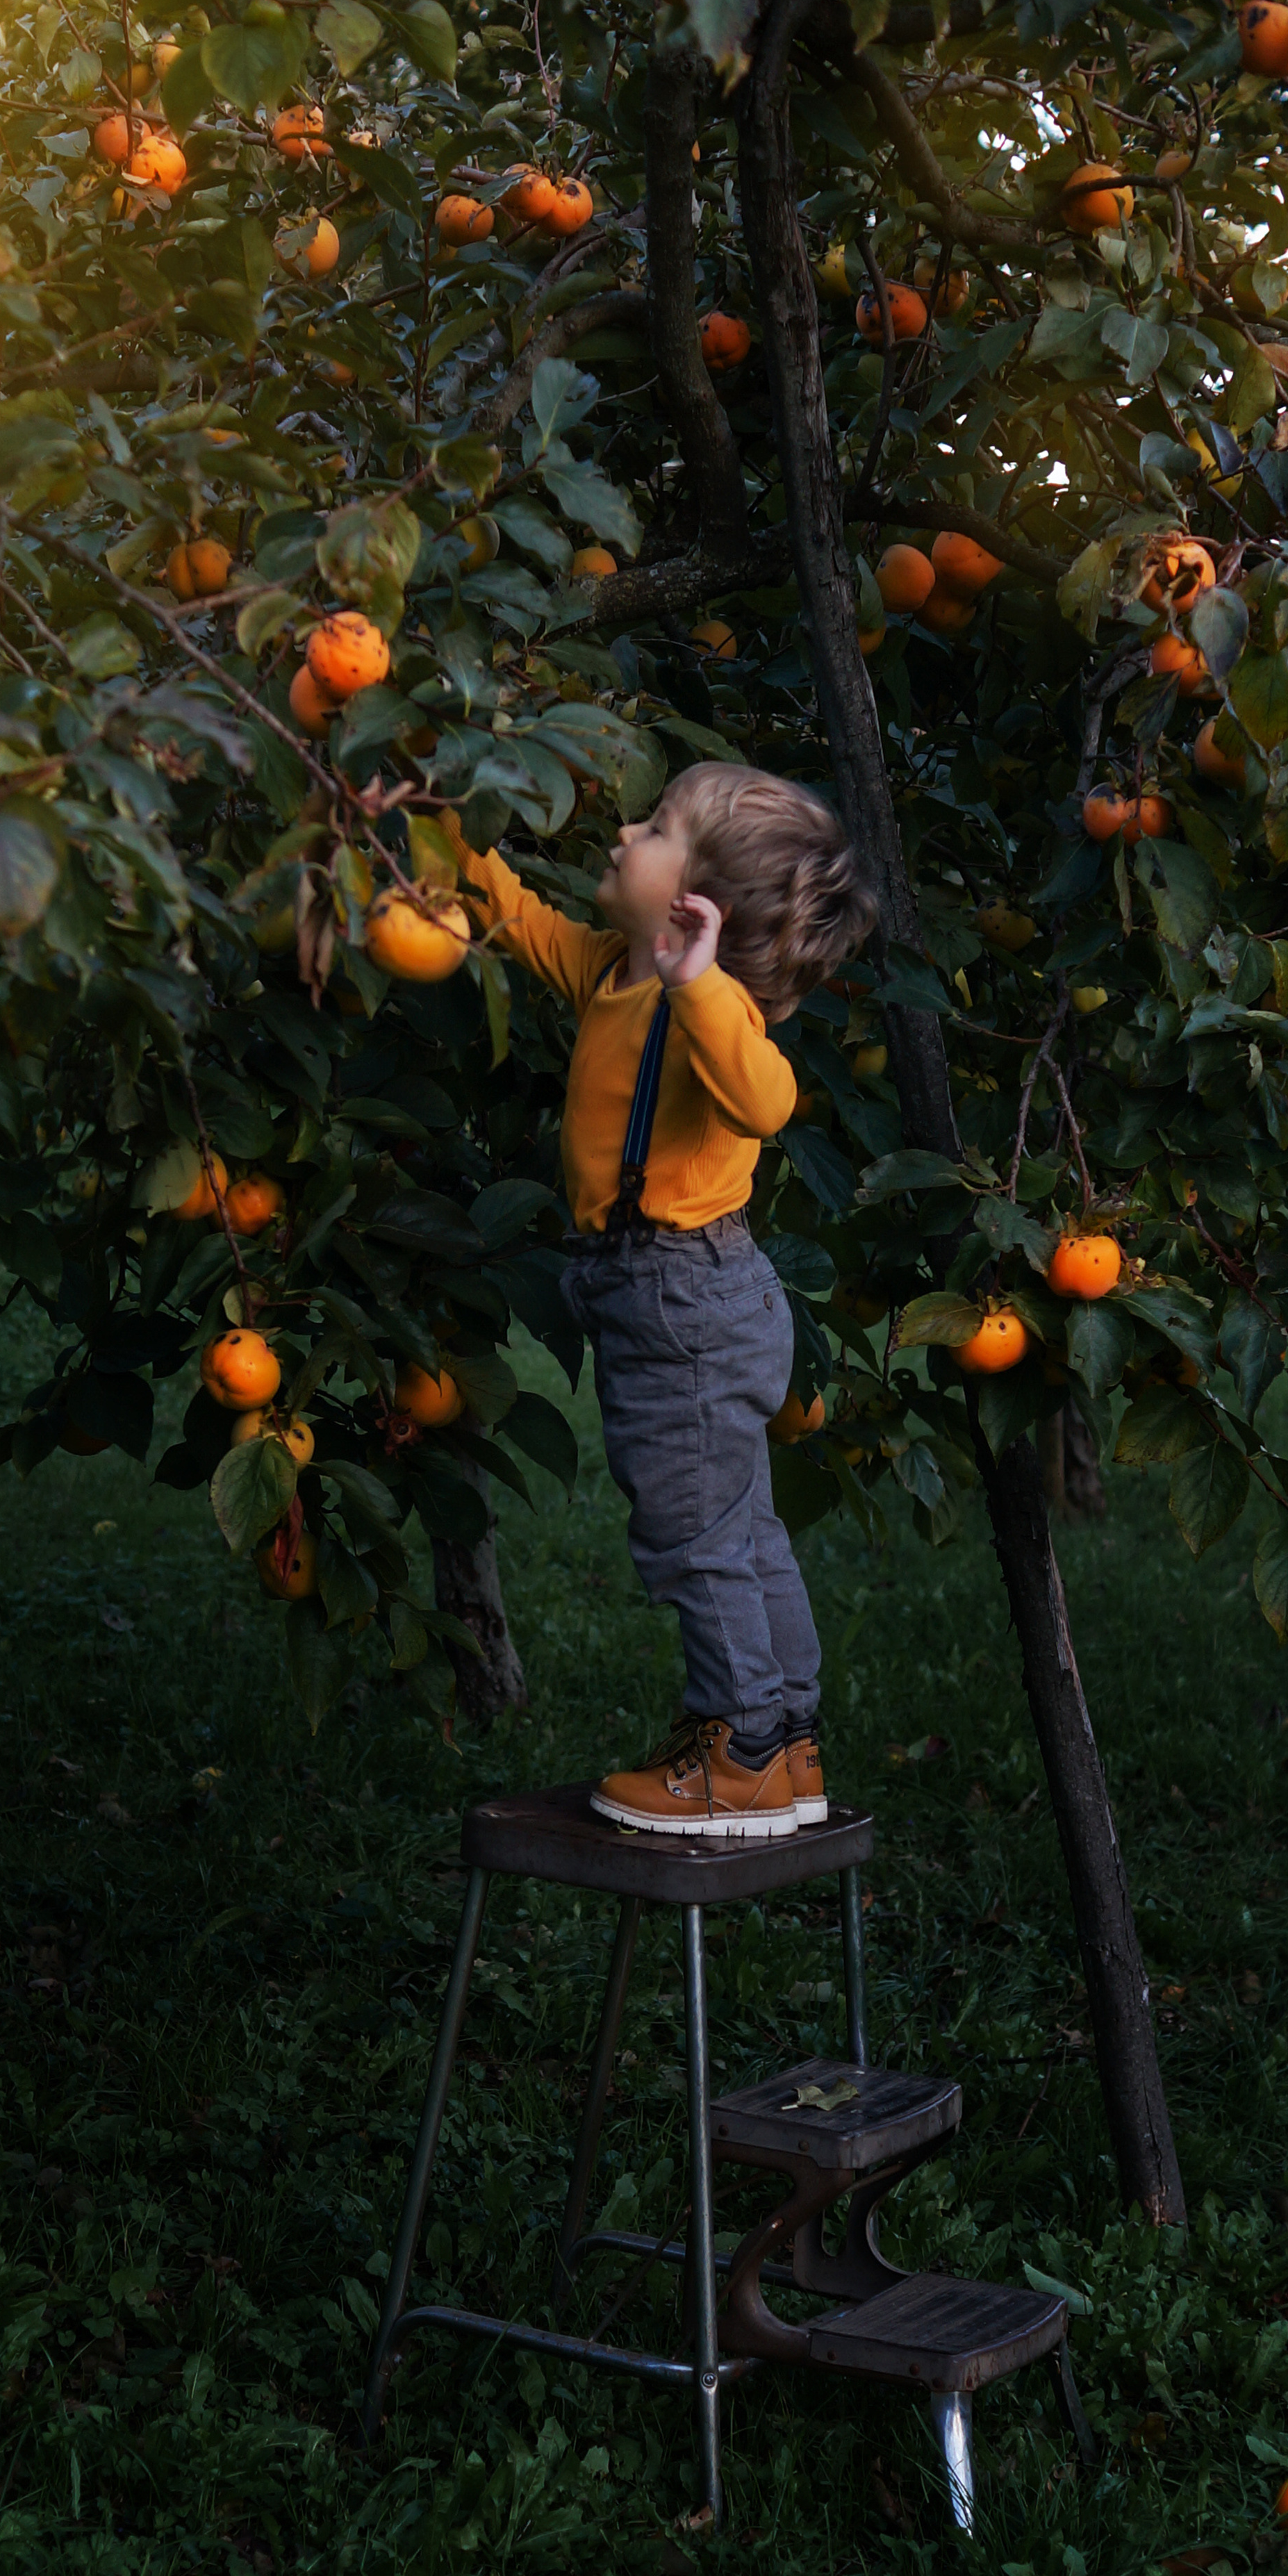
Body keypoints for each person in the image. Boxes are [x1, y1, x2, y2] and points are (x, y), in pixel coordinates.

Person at [449, 761, 877, 1838]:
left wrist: (699, 983)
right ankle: (785, 1740)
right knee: (743, 1528)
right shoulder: (614, 970)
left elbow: (767, 1099)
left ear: (695, 906)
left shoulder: (710, 1010)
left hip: (680, 1298)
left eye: (654, 829)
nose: (623, 832)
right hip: (680, 1291)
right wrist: (432, 824)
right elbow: (514, 916)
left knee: (694, 1537)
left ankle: (738, 1753)